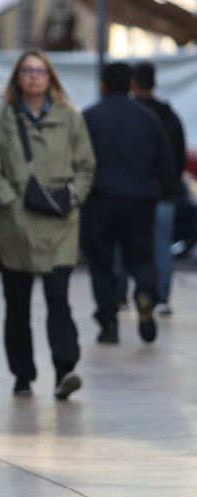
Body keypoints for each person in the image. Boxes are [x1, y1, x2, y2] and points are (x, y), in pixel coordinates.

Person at [0, 50, 95, 399]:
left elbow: (86, 166)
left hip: (60, 224)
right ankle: (22, 375)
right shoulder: (2, 121)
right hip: (16, 227)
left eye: (40, 71)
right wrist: (12, 203)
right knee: (17, 306)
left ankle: (65, 369)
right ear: (17, 78)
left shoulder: (70, 119)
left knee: (58, 299)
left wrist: (73, 197)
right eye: (27, 71)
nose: (33, 77)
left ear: (50, 78)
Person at [82, 63, 175, 345]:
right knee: (141, 257)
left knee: (101, 262)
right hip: (140, 201)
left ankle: (109, 322)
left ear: (103, 85)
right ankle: (146, 293)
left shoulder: (90, 117)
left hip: (100, 200)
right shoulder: (148, 118)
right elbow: (165, 162)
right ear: (131, 84)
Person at [115, 63, 185, 316]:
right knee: (161, 247)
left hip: (132, 192)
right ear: (154, 83)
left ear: (133, 84)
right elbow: (178, 155)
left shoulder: (129, 115)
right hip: (163, 193)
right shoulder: (168, 116)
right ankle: (161, 297)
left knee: (122, 243)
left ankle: (119, 296)